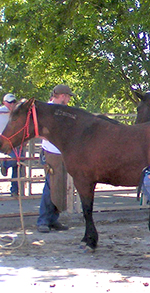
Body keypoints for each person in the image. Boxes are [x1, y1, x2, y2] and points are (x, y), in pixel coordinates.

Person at [37, 84, 74, 233]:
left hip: (60, 152)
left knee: (59, 185)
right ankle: (44, 220)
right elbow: (40, 131)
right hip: (51, 151)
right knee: (51, 185)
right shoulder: (47, 110)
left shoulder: (60, 111)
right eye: (68, 97)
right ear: (63, 96)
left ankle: (52, 219)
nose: (69, 100)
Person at [0, 93, 22, 196]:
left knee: (18, 161)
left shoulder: (17, 113)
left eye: (14, 102)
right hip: (1, 141)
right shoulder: (1, 112)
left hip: (12, 142)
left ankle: (14, 190)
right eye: (10, 102)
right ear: (4, 103)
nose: (12, 104)